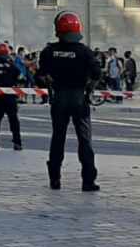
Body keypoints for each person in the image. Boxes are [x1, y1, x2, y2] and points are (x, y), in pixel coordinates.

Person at [37, 11, 103, 192]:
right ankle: (88, 181)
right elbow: (97, 74)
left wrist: (50, 82)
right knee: (85, 141)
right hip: (79, 98)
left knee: (58, 139)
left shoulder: (49, 51)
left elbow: (40, 76)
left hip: (59, 98)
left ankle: (55, 179)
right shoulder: (84, 52)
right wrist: (89, 89)